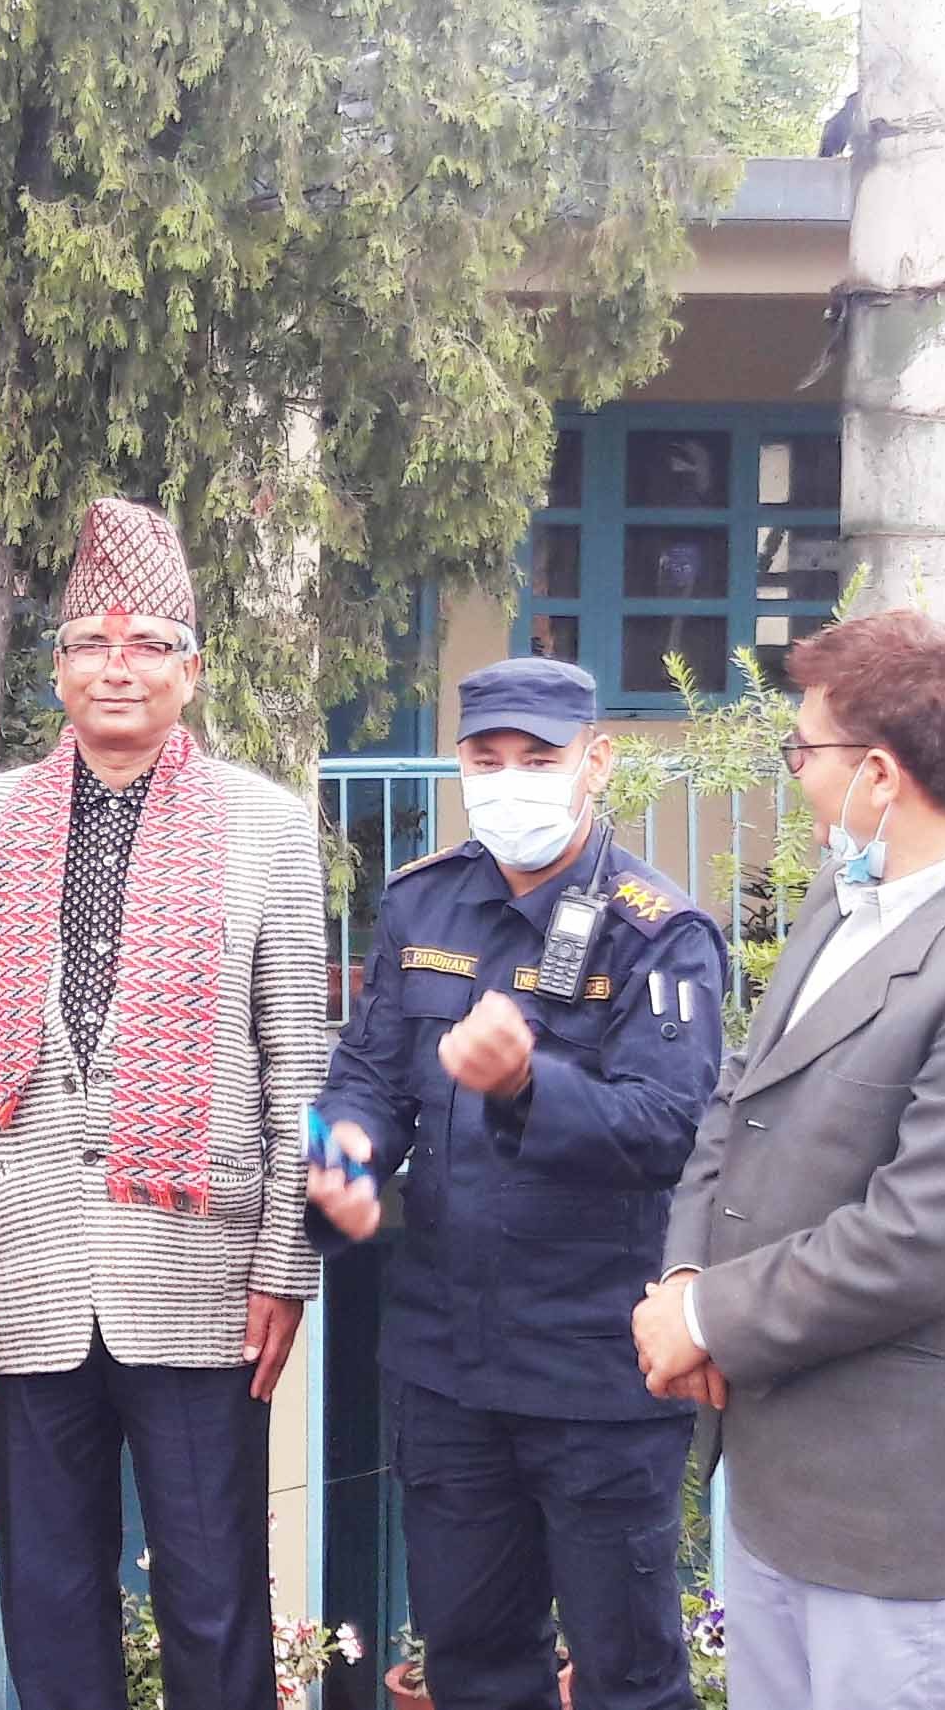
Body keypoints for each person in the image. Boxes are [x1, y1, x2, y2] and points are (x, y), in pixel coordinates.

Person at [629, 611, 945, 1710]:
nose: (795, 773)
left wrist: (705, 1319)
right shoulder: (848, 897)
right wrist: (689, 1273)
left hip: (891, 1506)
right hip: (775, 1470)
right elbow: (739, 1096)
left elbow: (916, 1242)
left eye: (803, 750)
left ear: (880, 774)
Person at [0, 497, 329, 1710]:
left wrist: (287, 1265)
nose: (118, 667)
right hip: (25, 1272)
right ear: (55, 672)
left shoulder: (267, 828)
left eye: (148, 644)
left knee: (214, 1599)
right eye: (91, 644)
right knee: (49, 1600)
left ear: (191, 672)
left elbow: (299, 1062)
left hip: (203, 1276)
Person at [304, 657, 728, 1710]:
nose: (510, 782)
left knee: (629, 1678)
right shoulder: (424, 904)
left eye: (538, 759)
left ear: (597, 762)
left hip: (596, 1373)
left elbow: (669, 1131)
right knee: (473, 1669)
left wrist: (530, 1084)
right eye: (486, 760)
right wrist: (345, 1158)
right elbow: (367, 1077)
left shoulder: (657, 933)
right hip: (446, 1365)